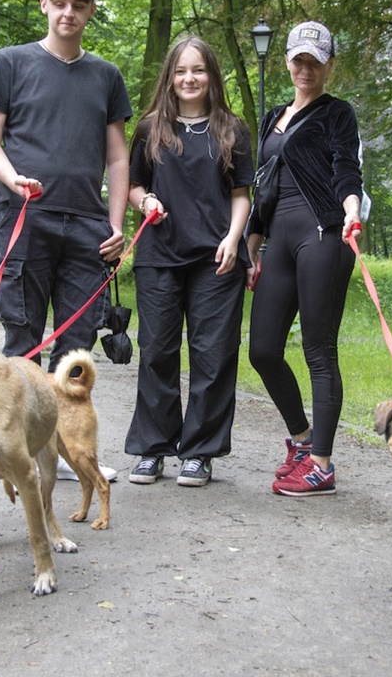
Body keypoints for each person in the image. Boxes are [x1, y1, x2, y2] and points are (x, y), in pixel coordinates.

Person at [0, 0, 129, 483]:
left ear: (89, 12)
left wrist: (115, 224)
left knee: (76, 347)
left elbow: (118, 157)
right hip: (24, 217)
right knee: (23, 338)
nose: (68, 13)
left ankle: (66, 453)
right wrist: (14, 179)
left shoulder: (106, 76)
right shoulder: (10, 63)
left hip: (87, 226)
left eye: (79, 6)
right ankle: (20, 452)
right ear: (44, 3)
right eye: (59, 3)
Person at [125, 37, 254, 487]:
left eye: (198, 70)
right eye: (181, 71)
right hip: (159, 255)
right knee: (157, 352)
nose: (189, 79)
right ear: (170, 77)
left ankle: (199, 451)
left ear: (211, 76)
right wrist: (146, 203)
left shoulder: (231, 130)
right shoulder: (149, 128)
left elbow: (242, 194)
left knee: (213, 356)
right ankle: (154, 448)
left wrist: (235, 240)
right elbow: (132, 185)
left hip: (216, 260)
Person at [245, 21, 364, 497]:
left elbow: (345, 168)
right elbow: (263, 187)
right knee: (263, 349)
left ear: (328, 64)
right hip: (278, 238)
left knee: (318, 348)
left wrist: (352, 210)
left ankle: (321, 464)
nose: (305, 68)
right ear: (287, 62)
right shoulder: (274, 114)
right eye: (298, 60)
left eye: (315, 61)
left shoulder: (338, 113)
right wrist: (251, 248)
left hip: (324, 235)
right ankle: (301, 438)